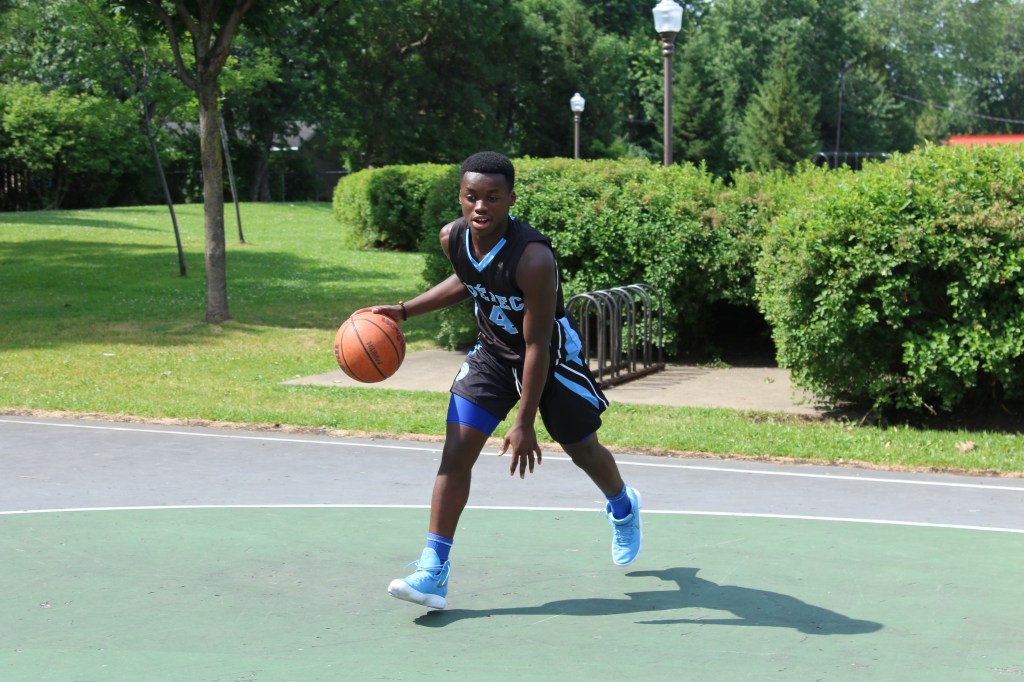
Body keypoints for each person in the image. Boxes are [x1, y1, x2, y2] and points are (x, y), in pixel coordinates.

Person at [359, 151, 641, 610]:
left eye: (492, 197)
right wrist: (405, 310)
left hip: (550, 360)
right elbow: (468, 280)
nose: (481, 206)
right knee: (456, 454)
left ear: (511, 199)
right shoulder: (452, 237)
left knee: (582, 450)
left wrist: (524, 421)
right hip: (492, 356)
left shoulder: (533, 259)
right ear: (460, 197)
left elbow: (537, 346)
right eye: (471, 196)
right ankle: (433, 569)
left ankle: (623, 506)